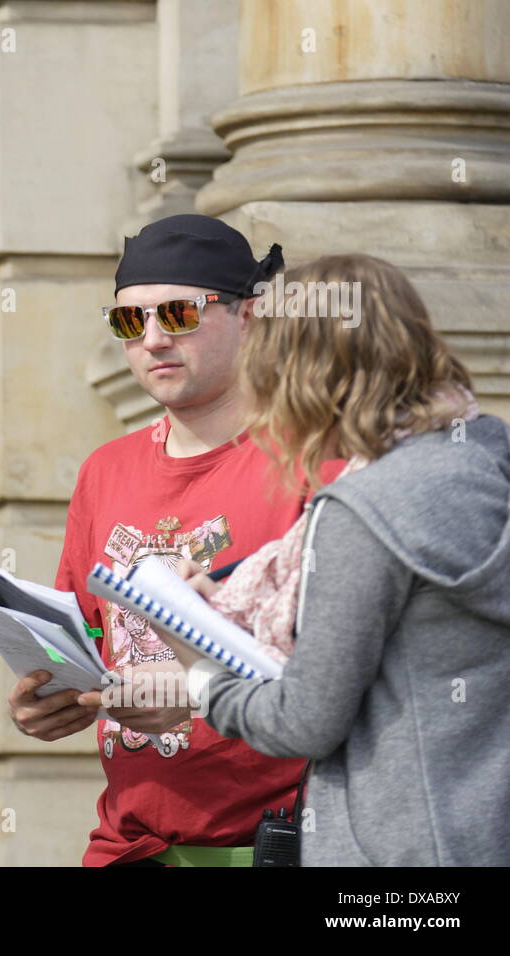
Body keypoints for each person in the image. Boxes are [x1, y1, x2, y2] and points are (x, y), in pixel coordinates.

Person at [8, 214, 342, 866]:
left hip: (277, 846)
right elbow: (86, 639)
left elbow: (342, 675)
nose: (154, 338)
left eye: (180, 314)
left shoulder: (317, 462)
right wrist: (51, 699)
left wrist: (195, 697)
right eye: (130, 321)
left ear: (249, 316)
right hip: (128, 846)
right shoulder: (105, 470)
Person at [156, 253, 510, 866]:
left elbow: (303, 723)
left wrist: (198, 669)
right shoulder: (487, 452)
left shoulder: (367, 509)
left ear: (301, 376)